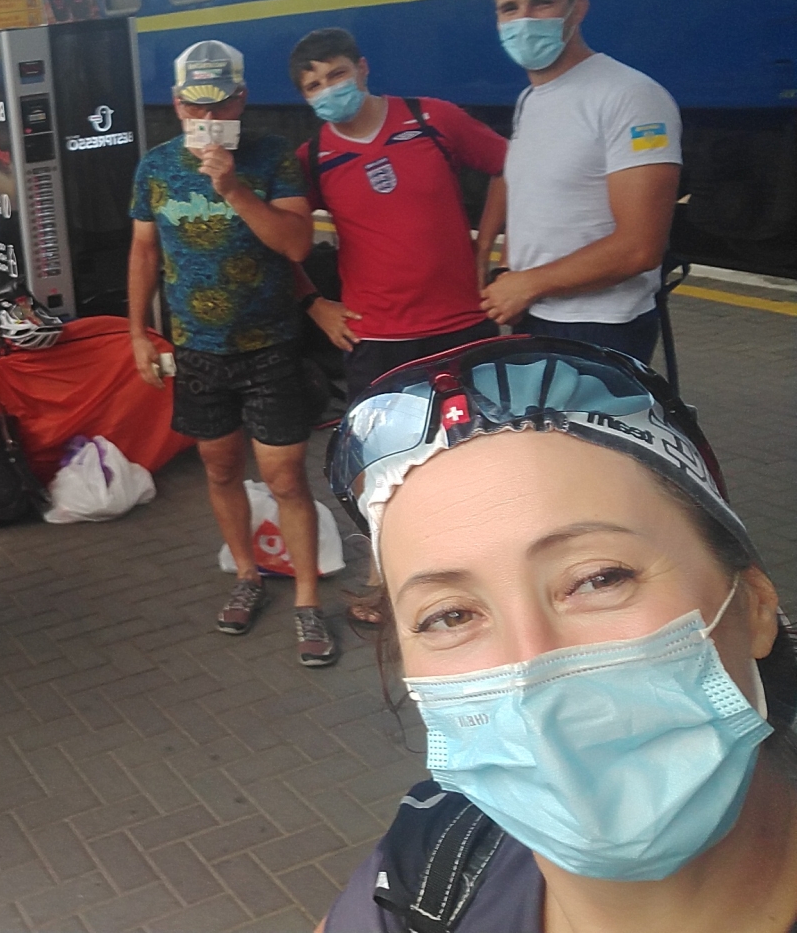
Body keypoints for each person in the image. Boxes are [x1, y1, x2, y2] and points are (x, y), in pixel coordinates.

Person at [318, 336, 797, 932]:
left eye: (598, 579)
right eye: (451, 616)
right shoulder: (419, 874)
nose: (532, 666)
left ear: (753, 605)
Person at [127, 39, 338, 666]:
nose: (206, 118)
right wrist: (136, 332)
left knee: (286, 478)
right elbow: (144, 252)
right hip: (197, 349)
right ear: (176, 103)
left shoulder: (274, 158)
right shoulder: (156, 167)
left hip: (269, 345)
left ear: (241, 99)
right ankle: (247, 575)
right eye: (194, 106)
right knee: (219, 470)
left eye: (219, 105)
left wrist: (233, 188)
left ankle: (307, 601)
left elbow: (297, 245)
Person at [479, 0, 681, 362]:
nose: (524, 20)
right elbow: (530, 200)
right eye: (509, 8)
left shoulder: (631, 96)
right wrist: (506, 272)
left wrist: (527, 284)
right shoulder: (530, 100)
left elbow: (640, 247)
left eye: (542, 2)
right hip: (534, 315)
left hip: (600, 326)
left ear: (578, 8)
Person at [289, 28, 505, 401]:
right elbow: (277, 239)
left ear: (362, 68)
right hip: (375, 339)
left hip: (464, 323)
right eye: (314, 85)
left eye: (337, 74)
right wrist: (314, 304)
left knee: (482, 437)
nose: (328, 90)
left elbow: (508, 165)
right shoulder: (311, 158)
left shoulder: (432, 118)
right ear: (305, 97)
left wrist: (484, 248)